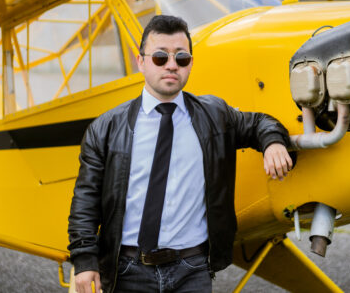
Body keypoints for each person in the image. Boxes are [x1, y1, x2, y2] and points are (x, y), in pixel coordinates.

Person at [68, 15, 293, 293]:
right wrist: (84, 259)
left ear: (190, 64)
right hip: (128, 270)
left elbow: (260, 122)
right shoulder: (105, 128)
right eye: (160, 57)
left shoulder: (215, 115)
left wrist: (273, 142)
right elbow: (85, 200)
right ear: (141, 62)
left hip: (192, 269)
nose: (172, 65)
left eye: (182, 58)